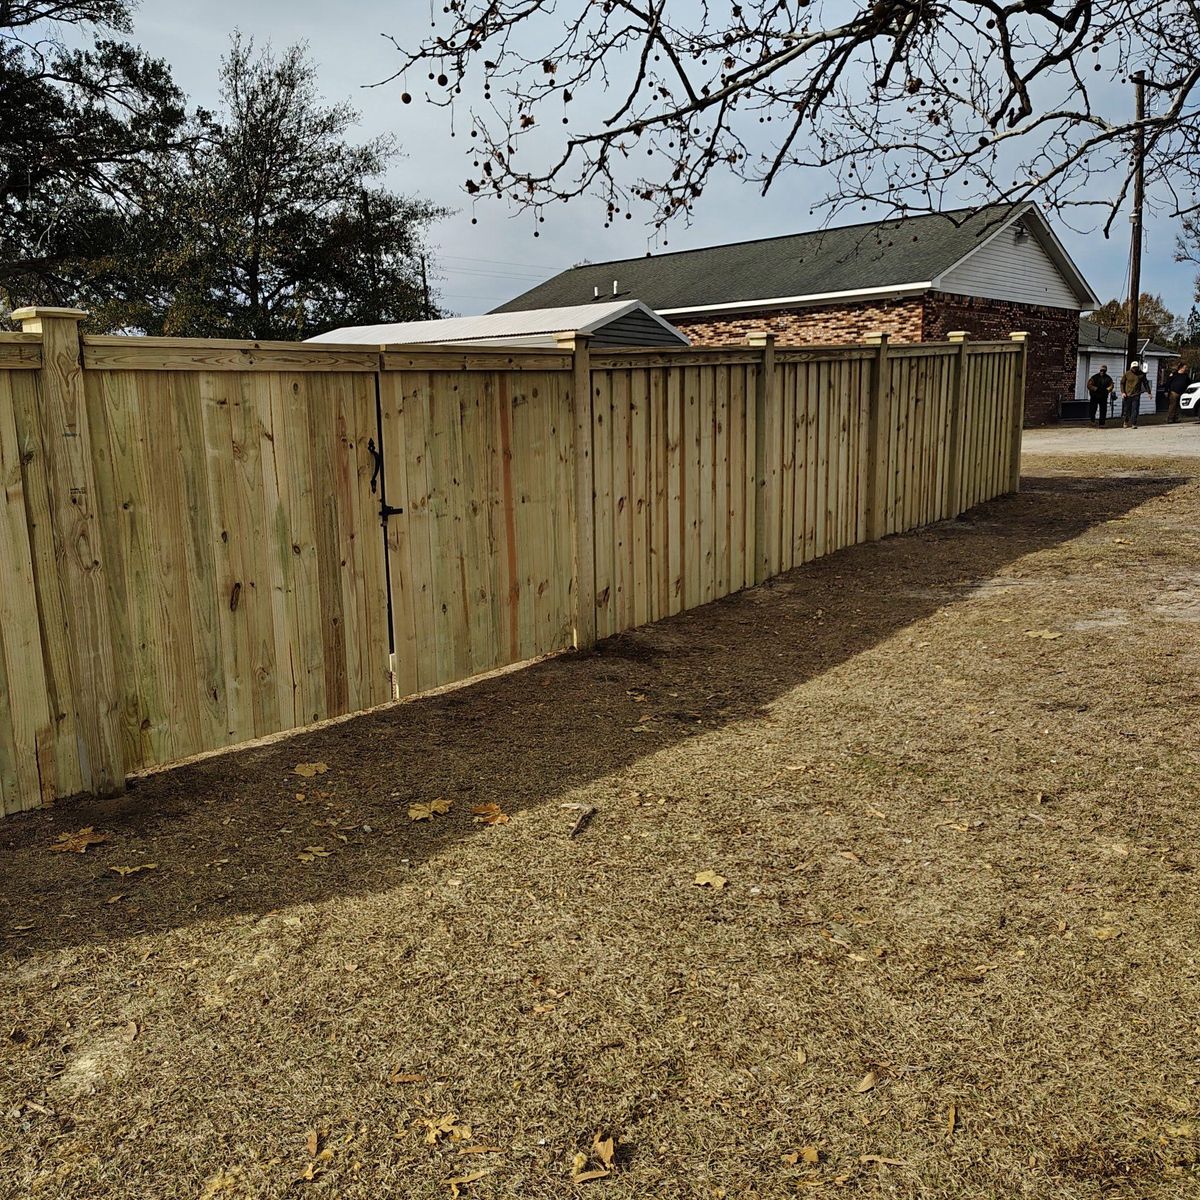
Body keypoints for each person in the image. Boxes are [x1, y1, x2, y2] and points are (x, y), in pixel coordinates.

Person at [1120, 361, 1150, 428]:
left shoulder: (1141, 374)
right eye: (1133, 367)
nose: (1135, 369)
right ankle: (1125, 421)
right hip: (1127, 395)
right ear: (1131, 367)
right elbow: (1122, 383)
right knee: (1126, 410)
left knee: (1135, 409)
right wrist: (1123, 392)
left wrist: (1149, 392)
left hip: (1136, 394)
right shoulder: (1127, 374)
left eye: (1136, 367)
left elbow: (1146, 383)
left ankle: (1133, 423)